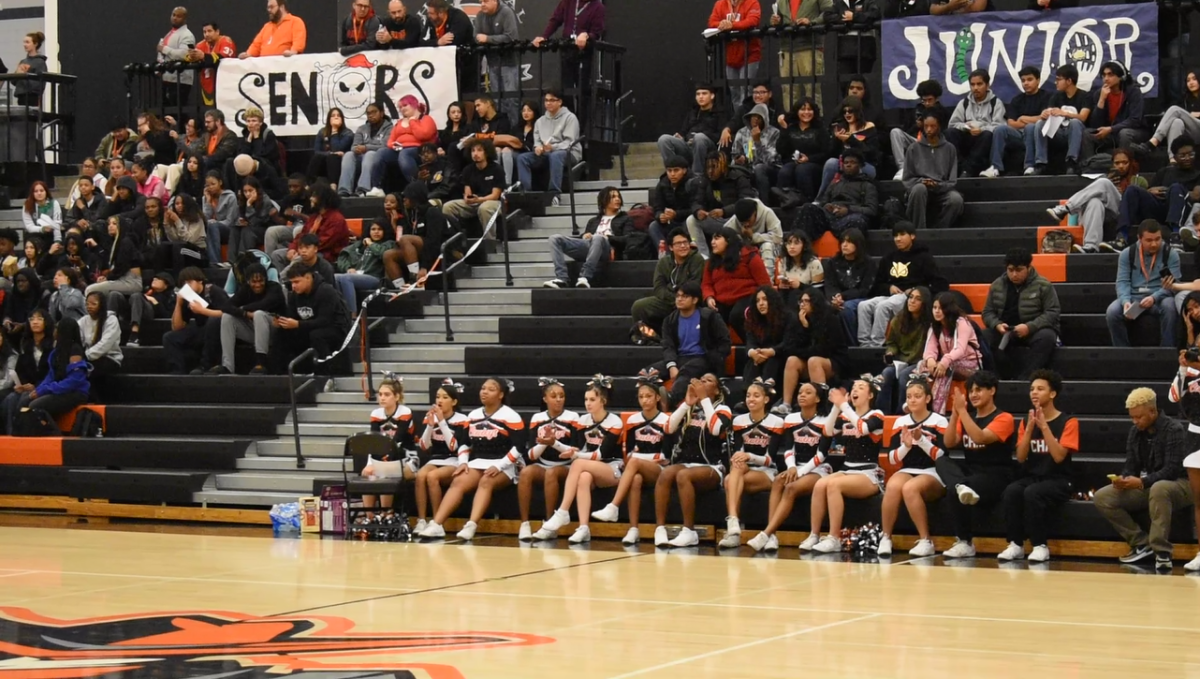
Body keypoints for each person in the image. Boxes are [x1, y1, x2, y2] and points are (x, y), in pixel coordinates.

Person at [1092, 387, 1191, 570]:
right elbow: (1132, 465)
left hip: (1181, 485)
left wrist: (1142, 482)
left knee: (1160, 488)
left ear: (1153, 411)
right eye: (1132, 417)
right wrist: (1123, 479)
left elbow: (1172, 469)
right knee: (1103, 496)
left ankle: (1162, 552)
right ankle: (1141, 543)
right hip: (1151, 484)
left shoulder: (1174, 429)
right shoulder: (1135, 432)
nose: (1135, 421)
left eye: (1139, 417)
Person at [417, 378, 527, 540]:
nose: (485, 392)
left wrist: (499, 466)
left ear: (501, 394)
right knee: (459, 481)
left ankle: (471, 525)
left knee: (486, 481)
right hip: (479, 461)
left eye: (491, 389)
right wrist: (463, 462)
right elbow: (464, 444)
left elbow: (519, 447)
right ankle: (437, 524)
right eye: (483, 388)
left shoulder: (511, 416)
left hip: (506, 464)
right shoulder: (474, 415)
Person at [532, 375, 624, 543]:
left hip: (612, 467)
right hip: (591, 467)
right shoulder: (583, 421)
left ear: (602, 400)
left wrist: (576, 455)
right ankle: (583, 528)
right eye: (585, 399)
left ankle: (562, 512)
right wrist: (555, 443)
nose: (587, 403)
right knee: (583, 476)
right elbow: (578, 450)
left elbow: (600, 455)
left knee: (578, 463)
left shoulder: (614, 422)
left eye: (592, 399)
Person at [998, 370, 1077, 563]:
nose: (1034, 392)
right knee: (1012, 491)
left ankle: (1040, 545)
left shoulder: (1069, 421)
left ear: (1052, 394)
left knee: (1033, 493)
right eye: (1032, 389)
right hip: (1033, 476)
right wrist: (1030, 429)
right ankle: (1015, 544)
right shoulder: (1026, 421)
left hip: (1060, 479)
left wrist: (1044, 427)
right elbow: (1021, 457)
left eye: (1040, 389)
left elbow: (1059, 457)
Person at [936, 370, 1017, 558]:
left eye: (979, 390)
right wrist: (956, 413)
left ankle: (960, 488)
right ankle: (964, 542)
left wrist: (962, 411)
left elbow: (980, 437)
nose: (973, 394)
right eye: (970, 391)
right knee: (942, 460)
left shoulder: (1004, 418)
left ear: (992, 391)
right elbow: (948, 443)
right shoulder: (966, 417)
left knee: (955, 489)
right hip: (972, 472)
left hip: (997, 474)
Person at [744, 382, 828, 551]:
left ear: (818, 398)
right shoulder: (790, 419)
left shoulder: (825, 420)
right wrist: (792, 467)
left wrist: (801, 472)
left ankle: (766, 533)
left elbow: (822, 454)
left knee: (791, 488)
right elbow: (789, 448)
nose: (802, 395)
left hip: (818, 469)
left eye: (808, 392)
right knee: (777, 482)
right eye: (800, 392)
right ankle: (772, 537)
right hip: (796, 466)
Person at [651, 373, 732, 547]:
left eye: (708, 380)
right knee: (666, 474)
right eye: (700, 380)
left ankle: (689, 531)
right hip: (686, 462)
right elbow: (668, 427)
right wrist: (687, 403)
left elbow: (716, 429)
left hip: (712, 466)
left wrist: (704, 400)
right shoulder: (689, 408)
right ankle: (660, 529)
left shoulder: (722, 409)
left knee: (683, 475)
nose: (702, 382)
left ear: (717, 390)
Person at [591, 372, 672, 545]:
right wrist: (641, 458)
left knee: (635, 463)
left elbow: (666, 456)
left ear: (658, 397)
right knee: (635, 478)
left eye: (649, 396)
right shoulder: (633, 420)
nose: (645, 400)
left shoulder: (666, 420)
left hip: (661, 471)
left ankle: (615, 507)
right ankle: (633, 529)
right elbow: (627, 454)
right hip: (640, 468)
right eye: (641, 397)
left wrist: (640, 458)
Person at [807, 378, 885, 553]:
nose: (856, 390)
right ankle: (814, 534)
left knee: (833, 485)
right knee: (820, 484)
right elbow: (827, 431)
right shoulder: (845, 415)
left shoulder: (877, 415)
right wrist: (837, 406)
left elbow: (863, 429)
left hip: (868, 473)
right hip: (847, 469)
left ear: (870, 395)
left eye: (861, 387)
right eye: (854, 387)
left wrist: (844, 405)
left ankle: (834, 537)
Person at [877, 378, 947, 557]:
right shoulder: (901, 422)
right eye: (909, 397)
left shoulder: (939, 421)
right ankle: (886, 537)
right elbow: (892, 459)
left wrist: (921, 441)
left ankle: (926, 540)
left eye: (918, 396)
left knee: (910, 488)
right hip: (908, 469)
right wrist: (906, 446)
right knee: (893, 485)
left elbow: (941, 457)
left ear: (928, 399)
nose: (913, 400)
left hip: (934, 471)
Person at [858, 222, 947, 347]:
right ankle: (864, 344)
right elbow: (877, 285)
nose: (898, 239)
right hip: (891, 295)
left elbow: (940, 283)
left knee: (883, 306)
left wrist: (915, 291)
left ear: (912, 236)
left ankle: (876, 345)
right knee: (863, 305)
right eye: (895, 236)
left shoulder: (924, 257)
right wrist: (889, 288)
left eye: (902, 235)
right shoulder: (888, 258)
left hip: (909, 297)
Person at [718, 378, 784, 547]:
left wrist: (749, 456)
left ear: (766, 400)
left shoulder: (776, 422)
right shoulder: (739, 421)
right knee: (734, 470)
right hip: (745, 470)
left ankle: (733, 524)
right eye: (748, 396)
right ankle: (733, 524)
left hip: (767, 471)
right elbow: (738, 450)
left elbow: (770, 459)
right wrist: (739, 457)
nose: (751, 399)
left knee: (729, 481)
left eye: (756, 396)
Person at [1046, 149, 1146, 253]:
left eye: (1125, 163)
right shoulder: (1106, 178)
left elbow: (1138, 203)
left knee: (1103, 183)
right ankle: (1091, 246)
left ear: (1131, 163)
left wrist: (1121, 192)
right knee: (1095, 201)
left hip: (1123, 215)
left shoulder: (1138, 180)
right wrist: (1110, 183)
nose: (1121, 166)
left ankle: (1065, 208)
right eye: (1117, 163)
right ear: (1112, 164)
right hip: (1103, 214)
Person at [981, 247, 1060, 380]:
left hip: (1033, 330)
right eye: (1010, 270)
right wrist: (997, 324)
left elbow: (1052, 312)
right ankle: (997, 377)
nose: (1014, 275)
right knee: (983, 336)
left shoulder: (1043, 285)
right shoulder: (997, 285)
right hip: (1005, 330)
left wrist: (1030, 327)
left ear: (1028, 268)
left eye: (1019, 270)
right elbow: (987, 312)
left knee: (1047, 337)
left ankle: (1026, 378)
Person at [649, 282, 732, 406]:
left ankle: (671, 399)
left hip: (704, 358)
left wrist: (715, 358)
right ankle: (650, 402)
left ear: (695, 299)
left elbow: (725, 342)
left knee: (687, 370)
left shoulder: (709, 317)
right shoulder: (669, 320)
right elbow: (668, 346)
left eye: (684, 296)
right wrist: (671, 365)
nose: (679, 299)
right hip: (679, 358)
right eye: (677, 296)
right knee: (648, 373)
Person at [517, 378, 580, 540]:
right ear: (545, 399)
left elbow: (575, 452)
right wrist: (544, 443)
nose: (559, 399)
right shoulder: (537, 418)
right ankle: (525, 523)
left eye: (561, 395)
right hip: (542, 463)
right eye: (554, 396)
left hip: (567, 466)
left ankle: (549, 523)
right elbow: (530, 455)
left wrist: (554, 443)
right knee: (525, 473)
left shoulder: (573, 417)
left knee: (552, 473)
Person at [6, 317, 89, 434]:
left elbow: (74, 381)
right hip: (58, 390)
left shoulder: (75, 351)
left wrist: (46, 390)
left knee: (36, 404)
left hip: (75, 392)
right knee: (25, 399)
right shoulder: (55, 353)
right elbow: (50, 376)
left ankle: (54, 434)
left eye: (56, 328)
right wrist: (38, 390)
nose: (53, 331)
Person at [774, 288, 850, 414]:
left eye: (806, 301)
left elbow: (822, 350)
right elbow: (790, 348)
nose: (802, 304)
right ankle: (786, 404)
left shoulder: (830, 319)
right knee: (792, 360)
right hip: (810, 360)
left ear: (815, 302)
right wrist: (804, 328)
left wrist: (803, 348)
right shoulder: (798, 320)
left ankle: (821, 405)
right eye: (801, 301)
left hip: (835, 362)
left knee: (814, 361)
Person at [1107, 220, 1181, 348]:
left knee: (1170, 306)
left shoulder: (1170, 254)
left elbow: (1174, 285)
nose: (1154, 244)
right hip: (1134, 298)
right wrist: (1125, 301)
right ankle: (1122, 351)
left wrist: (1154, 297)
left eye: (1158, 239)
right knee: (1112, 312)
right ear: (1139, 238)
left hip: (1159, 298)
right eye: (1149, 240)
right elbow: (1122, 281)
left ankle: (1166, 350)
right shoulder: (1127, 254)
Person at [543, 187, 635, 289]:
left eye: (618, 196)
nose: (618, 199)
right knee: (555, 238)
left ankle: (585, 276)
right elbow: (586, 236)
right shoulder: (593, 221)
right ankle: (562, 278)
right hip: (590, 246)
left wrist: (608, 238)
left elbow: (628, 239)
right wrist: (583, 236)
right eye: (613, 197)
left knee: (598, 238)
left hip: (608, 250)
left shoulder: (626, 218)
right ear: (604, 200)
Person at [1113, 138, 1200, 246]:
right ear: (1175, 157)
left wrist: (1168, 191)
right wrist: (1150, 191)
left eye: (1190, 154)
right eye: (1182, 155)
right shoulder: (1165, 171)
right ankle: (1122, 237)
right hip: (1158, 208)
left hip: (1181, 210)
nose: (1187, 158)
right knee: (1132, 189)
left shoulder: (1197, 174)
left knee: (1176, 188)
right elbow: (1149, 191)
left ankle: (1176, 236)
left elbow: (1196, 195)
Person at [271, 264, 352, 379]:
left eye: (297, 282)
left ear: (308, 278)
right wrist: (281, 322)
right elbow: (292, 316)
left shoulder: (326, 291)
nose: (293, 286)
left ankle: (324, 375)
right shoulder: (294, 295)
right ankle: (280, 374)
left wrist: (297, 324)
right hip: (309, 328)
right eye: (292, 283)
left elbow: (325, 320)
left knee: (317, 335)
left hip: (336, 329)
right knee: (281, 334)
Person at [412, 379, 470, 534]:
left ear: (454, 401)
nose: (439, 400)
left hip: (454, 459)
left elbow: (454, 446)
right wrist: (430, 425)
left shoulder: (462, 420)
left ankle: (438, 522)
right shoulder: (431, 417)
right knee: (420, 476)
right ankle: (422, 520)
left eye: (445, 397)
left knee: (432, 477)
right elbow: (424, 446)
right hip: (436, 458)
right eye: (438, 397)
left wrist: (442, 422)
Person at [631, 227, 705, 340]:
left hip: (689, 301)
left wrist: (680, 298)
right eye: (678, 243)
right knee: (639, 306)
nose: (683, 246)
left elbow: (694, 285)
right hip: (670, 300)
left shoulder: (697, 260)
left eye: (685, 242)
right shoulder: (663, 262)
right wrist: (674, 299)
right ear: (671, 247)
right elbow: (659, 288)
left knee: (686, 305)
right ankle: (649, 336)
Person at [213, 262, 285, 375]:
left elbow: (264, 304)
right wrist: (245, 314)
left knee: (259, 314)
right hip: (255, 331)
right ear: (248, 281)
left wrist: (243, 308)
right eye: (254, 282)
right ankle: (227, 366)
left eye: (261, 281)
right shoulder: (245, 289)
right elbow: (226, 306)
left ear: (266, 279)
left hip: (276, 330)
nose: (258, 285)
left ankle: (261, 363)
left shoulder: (274, 287)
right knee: (227, 317)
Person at [356, 378, 415, 514]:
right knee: (368, 474)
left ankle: (386, 514)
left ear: (397, 396)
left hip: (407, 457)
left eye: (387, 394)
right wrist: (370, 464)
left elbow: (397, 441)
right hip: (386, 457)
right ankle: (369, 517)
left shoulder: (405, 412)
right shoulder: (376, 414)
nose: (382, 398)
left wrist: (381, 464)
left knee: (385, 473)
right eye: (380, 394)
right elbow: (374, 442)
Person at [701, 227, 771, 339]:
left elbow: (765, 284)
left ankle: (754, 345)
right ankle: (718, 350)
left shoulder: (750, 256)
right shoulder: (711, 262)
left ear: (728, 240)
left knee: (737, 315)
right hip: (721, 299)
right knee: (709, 315)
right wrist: (709, 297)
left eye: (717, 238)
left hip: (747, 297)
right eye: (712, 239)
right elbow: (706, 284)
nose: (712, 242)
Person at [382, 182, 455, 288]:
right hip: (420, 250)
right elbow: (401, 241)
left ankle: (415, 279)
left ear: (415, 197)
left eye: (407, 197)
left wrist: (424, 267)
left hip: (438, 251)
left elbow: (433, 242)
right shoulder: (413, 214)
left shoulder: (432, 212)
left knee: (405, 239)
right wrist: (394, 224)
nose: (404, 199)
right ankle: (402, 288)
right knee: (388, 255)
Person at [981, 67, 1049, 178]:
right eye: (1023, 80)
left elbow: (1045, 119)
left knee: (1031, 127)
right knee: (1000, 129)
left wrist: (1023, 118)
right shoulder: (1017, 100)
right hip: (1018, 134)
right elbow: (1011, 123)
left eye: (1029, 79)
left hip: (1037, 134)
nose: (1026, 83)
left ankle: (1029, 166)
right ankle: (995, 167)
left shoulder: (1046, 97)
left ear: (1038, 80)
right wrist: (1031, 120)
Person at [517, 88, 581, 205]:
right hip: (546, 153)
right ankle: (526, 193)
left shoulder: (570, 118)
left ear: (560, 102)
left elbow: (570, 142)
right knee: (522, 158)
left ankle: (554, 193)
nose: (548, 103)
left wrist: (553, 147)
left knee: (556, 156)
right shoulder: (540, 121)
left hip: (568, 153)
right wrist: (537, 148)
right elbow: (537, 141)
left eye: (552, 100)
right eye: (546, 100)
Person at [922, 292, 982, 413]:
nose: (937, 311)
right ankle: (916, 405)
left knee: (945, 369)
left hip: (971, 365)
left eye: (941, 308)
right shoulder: (935, 326)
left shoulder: (962, 323)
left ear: (949, 309)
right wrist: (930, 360)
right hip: (949, 362)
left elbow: (959, 349)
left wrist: (944, 362)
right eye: (935, 308)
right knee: (920, 366)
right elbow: (929, 348)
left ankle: (937, 411)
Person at [688, 153, 757, 258]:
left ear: (723, 165)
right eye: (708, 168)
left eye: (714, 167)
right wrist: (698, 211)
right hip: (717, 220)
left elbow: (747, 203)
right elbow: (696, 201)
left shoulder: (738, 177)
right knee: (691, 220)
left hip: (736, 221)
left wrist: (724, 211)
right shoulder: (704, 180)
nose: (710, 171)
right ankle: (703, 257)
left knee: (740, 217)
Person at [877, 286, 932, 415]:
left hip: (920, 363)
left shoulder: (930, 323)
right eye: (910, 297)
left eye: (917, 299)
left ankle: (902, 414)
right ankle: (881, 414)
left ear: (924, 303)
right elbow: (891, 343)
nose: (912, 301)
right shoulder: (898, 319)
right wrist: (891, 352)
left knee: (904, 376)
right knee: (886, 374)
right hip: (901, 361)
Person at [903, 113, 963, 230]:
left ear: (939, 126)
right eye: (926, 126)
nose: (929, 129)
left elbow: (952, 181)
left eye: (932, 126)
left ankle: (940, 230)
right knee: (919, 189)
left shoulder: (950, 148)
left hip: (941, 190)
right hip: (919, 187)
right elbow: (907, 178)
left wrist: (938, 185)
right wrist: (921, 181)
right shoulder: (913, 148)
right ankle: (919, 230)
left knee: (956, 199)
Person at [162, 266, 227, 375]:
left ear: (200, 280)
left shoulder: (213, 290)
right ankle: (177, 371)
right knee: (169, 337)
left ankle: (206, 365)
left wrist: (202, 310)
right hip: (201, 330)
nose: (186, 286)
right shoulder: (188, 296)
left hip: (219, 331)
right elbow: (177, 327)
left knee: (212, 322)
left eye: (189, 282)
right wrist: (178, 304)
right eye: (184, 284)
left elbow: (227, 313)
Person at [814, 97, 880, 201]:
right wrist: (836, 140)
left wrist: (851, 140)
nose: (847, 114)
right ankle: (820, 199)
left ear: (858, 111)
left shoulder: (869, 127)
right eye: (845, 111)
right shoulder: (840, 128)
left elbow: (871, 152)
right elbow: (830, 153)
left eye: (851, 111)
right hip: (843, 162)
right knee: (831, 163)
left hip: (865, 164)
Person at [1031, 64, 1091, 176]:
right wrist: (1045, 114)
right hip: (1058, 132)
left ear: (1069, 81)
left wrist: (1064, 113)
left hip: (1076, 132)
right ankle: (1041, 163)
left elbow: (1083, 117)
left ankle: (1071, 162)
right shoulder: (1056, 96)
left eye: (1059, 79)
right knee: (1040, 123)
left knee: (1075, 122)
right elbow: (1049, 111)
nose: (1055, 82)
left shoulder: (1085, 96)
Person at [771, 0, 832, 109]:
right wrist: (776, 21)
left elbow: (830, 12)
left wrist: (812, 22)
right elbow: (779, 20)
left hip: (809, 46)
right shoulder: (781, 1)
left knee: (812, 89)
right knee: (788, 90)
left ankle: (815, 123)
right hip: (786, 47)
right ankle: (791, 122)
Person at [279, 185, 350, 275]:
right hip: (307, 249)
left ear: (323, 199)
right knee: (278, 255)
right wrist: (292, 248)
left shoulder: (337, 219)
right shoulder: (314, 217)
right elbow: (302, 235)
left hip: (326, 254)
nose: (310, 199)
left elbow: (323, 243)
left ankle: (282, 281)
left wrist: (301, 250)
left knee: (300, 258)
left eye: (313, 196)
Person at [1085, 60, 1150, 157]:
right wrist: (1101, 100)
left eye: (1110, 75)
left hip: (1135, 131)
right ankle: (1089, 166)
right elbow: (1095, 125)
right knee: (1087, 134)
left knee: (1124, 133)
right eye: (1104, 75)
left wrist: (1111, 129)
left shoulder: (1133, 92)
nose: (1106, 79)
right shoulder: (1099, 94)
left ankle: (1125, 167)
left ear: (1121, 76)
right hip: (1112, 133)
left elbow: (1135, 120)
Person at [1172, 351, 1200, 571]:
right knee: (1199, 500)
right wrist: (1183, 369)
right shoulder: (1191, 373)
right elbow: (1173, 396)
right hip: (1196, 436)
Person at [823, 227, 875, 346]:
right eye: (843, 242)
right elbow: (830, 285)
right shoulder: (833, 262)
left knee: (845, 309)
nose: (844, 245)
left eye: (849, 242)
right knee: (823, 307)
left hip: (861, 298)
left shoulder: (868, 263)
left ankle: (852, 346)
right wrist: (834, 298)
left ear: (858, 244)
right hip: (837, 298)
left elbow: (865, 290)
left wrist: (842, 297)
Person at [1134, 70, 1200, 163]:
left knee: (1175, 109)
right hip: (1190, 133)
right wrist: (1189, 115)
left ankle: (1153, 142)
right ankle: (1173, 160)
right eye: (1188, 80)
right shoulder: (1185, 99)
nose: (1191, 83)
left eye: (1194, 79)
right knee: (1177, 122)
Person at [657, 85, 722, 177]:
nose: (701, 97)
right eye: (698, 94)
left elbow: (720, 136)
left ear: (712, 96)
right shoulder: (693, 112)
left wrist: (701, 136)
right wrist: (680, 136)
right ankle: (673, 171)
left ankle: (696, 176)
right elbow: (684, 130)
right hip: (688, 146)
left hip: (707, 148)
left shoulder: (720, 113)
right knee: (664, 139)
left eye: (704, 93)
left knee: (699, 137)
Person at [475, 0, 521, 126]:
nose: (482, 4)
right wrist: (483, 39)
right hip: (492, 63)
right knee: (497, 99)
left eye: (486, 1)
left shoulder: (506, 12)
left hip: (509, 63)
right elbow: (476, 36)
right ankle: (502, 128)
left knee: (511, 98)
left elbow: (511, 37)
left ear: (495, 1)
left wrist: (488, 39)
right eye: (481, 1)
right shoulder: (480, 16)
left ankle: (514, 129)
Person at [443, 139, 503, 236]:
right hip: (475, 202)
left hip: (493, 202)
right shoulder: (468, 170)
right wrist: (468, 198)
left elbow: (495, 195)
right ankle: (456, 239)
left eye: (479, 150)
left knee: (484, 208)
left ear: (487, 152)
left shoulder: (497, 169)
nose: (475, 153)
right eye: (473, 150)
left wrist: (480, 199)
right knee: (448, 207)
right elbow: (468, 192)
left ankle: (490, 243)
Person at [890, 80, 947, 180]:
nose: (927, 103)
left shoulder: (942, 112)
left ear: (936, 98)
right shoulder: (917, 110)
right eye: (924, 100)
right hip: (916, 141)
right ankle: (902, 168)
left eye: (930, 100)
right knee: (895, 132)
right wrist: (917, 126)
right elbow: (907, 131)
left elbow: (945, 133)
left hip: (933, 145)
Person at [775, 98, 830, 202]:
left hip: (814, 164)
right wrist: (784, 129)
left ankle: (807, 201)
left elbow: (826, 152)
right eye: (803, 109)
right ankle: (784, 200)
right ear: (797, 112)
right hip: (793, 162)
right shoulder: (791, 128)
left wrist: (808, 158)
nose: (806, 112)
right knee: (785, 171)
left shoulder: (820, 129)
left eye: (809, 109)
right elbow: (781, 149)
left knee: (802, 169)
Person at [709, 0, 762, 105]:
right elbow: (711, 22)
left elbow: (752, 21)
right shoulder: (720, 4)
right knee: (734, 91)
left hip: (749, 55)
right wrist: (721, 24)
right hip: (731, 57)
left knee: (746, 90)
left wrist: (731, 25)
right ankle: (739, 120)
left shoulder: (752, 2)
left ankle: (745, 119)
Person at [814, 148, 877, 236]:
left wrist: (848, 210)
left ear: (860, 165)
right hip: (830, 216)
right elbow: (823, 202)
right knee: (808, 208)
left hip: (851, 216)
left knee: (857, 220)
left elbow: (872, 210)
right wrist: (827, 206)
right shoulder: (835, 184)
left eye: (852, 162)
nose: (848, 165)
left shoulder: (867, 185)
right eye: (846, 163)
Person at [335, 220, 394, 309]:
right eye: (373, 229)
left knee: (345, 278)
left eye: (379, 229)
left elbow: (382, 253)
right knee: (334, 277)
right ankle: (340, 311)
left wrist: (370, 244)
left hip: (374, 278)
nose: (376, 232)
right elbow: (343, 255)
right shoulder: (360, 245)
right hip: (357, 275)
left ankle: (352, 314)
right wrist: (348, 268)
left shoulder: (389, 244)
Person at [338, 103, 394, 198]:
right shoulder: (362, 129)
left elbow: (385, 145)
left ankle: (362, 189)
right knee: (348, 155)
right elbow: (354, 146)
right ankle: (344, 190)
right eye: (368, 113)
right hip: (361, 158)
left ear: (381, 113)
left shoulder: (390, 128)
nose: (371, 115)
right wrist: (357, 149)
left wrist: (366, 148)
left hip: (378, 159)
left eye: (374, 112)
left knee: (370, 154)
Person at [421, 0, 476, 93]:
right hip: (442, 67)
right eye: (428, 13)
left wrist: (435, 43)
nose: (429, 15)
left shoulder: (458, 18)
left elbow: (453, 41)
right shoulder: (431, 20)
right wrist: (437, 42)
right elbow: (421, 42)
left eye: (431, 13)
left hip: (465, 64)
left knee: (466, 96)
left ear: (441, 13)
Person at [741, 285, 790, 387]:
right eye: (758, 301)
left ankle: (767, 393)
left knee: (772, 360)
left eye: (765, 299)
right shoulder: (754, 319)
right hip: (761, 356)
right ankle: (748, 394)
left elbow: (789, 343)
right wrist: (752, 352)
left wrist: (771, 351)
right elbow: (750, 341)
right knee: (752, 361)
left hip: (780, 356)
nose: (761, 304)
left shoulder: (787, 317)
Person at [384, 95, 438, 184]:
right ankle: (375, 187)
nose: (402, 109)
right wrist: (397, 146)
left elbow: (423, 135)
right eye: (400, 107)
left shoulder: (426, 119)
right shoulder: (399, 123)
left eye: (405, 105)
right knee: (382, 153)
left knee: (405, 153)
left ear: (414, 104)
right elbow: (390, 141)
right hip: (400, 149)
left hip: (420, 150)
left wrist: (412, 121)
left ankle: (416, 184)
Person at [731, 103, 780, 202]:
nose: (756, 120)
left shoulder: (774, 133)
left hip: (769, 169)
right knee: (734, 171)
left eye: (759, 117)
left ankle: (765, 204)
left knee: (759, 168)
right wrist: (739, 159)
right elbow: (734, 153)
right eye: (753, 116)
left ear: (765, 119)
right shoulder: (742, 132)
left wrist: (757, 141)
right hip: (747, 167)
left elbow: (770, 160)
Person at [725, 198, 783, 274]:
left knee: (767, 246)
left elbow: (778, 237)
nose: (746, 224)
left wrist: (753, 236)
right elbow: (724, 237)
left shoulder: (767, 213)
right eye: (742, 223)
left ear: (755, 213)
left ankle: (768, 282)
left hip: (772, 250)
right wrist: (740, 237)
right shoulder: (735, 220)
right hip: (747, 249)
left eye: (748, 220)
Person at [470, 96, 518, 185]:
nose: (476, 109)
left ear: (488, 104)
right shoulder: (477, 122)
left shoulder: (503, 120)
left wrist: (482, 137)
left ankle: (506, 184)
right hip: (482, 149)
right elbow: (473, 137)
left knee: (498, 150)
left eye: (478, 105)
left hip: (501, 149)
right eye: (475, 107)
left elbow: (501, 139)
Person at [119, 271, 175, 347]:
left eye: (159, 279)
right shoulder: (147, 291)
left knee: (137, 296)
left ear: (166, 284)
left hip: (150, 314)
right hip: (134, 311)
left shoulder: (170, 296)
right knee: (114, 294)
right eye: (154, 278)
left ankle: (134, 335)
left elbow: (167, 315)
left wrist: (154, 301)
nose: (154, 279)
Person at [188, 22, 237, 108]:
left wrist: (204, 56)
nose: (206, 34)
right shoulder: (200, 45)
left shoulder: (226, 41)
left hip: (225, 84)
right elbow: (189, 58)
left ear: (217, 31)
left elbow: (223, 57)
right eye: (204, 32)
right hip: (207, 85)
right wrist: (192, 57)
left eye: (209, 31)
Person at [78, 291, 122, 382]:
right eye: (87, 304)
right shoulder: (83, 320)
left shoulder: (111, 319)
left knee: (88, 372)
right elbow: (79, 340)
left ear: (102, 305)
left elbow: (105, 344)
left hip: (110, 358)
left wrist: (86, 355)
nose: (89, 307)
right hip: (88, 358)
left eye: (93, 304)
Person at [650, 156, 693, 249]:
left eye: (676, 170)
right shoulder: (662, 184)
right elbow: (657, 207)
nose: (672, 174)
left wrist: (676, 214)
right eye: (669, 171)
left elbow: (697, 209)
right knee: (654, 226)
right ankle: (666, 255)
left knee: (690, 222)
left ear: (684, 170)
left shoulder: (693, 183)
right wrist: (660, 215)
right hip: (670, 222)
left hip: (687, 220)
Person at [156, 8, 195, 109]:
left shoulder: (187, 35)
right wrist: (160, 67)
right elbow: (163, 54)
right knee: (167, 113)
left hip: (180, 80)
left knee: (178, 112)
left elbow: (185, 54)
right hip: (168, 78)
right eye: (173, 15)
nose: (175, 18)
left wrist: (164, 49)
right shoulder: (169, 34)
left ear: (185, 18)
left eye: (179, 16)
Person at [240, 0, 307, 58]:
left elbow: (298, 44)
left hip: (285, 67)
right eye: (268, 7)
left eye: (271, 7)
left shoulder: (295, 22)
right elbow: (256, 45)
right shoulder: (267, 26)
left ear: (282, 7)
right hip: (264, 69)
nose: (269, 10)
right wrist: (248, 54)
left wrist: (292, 52)